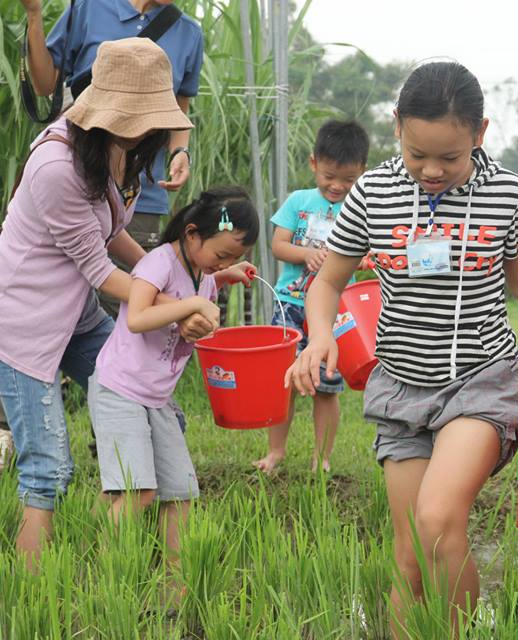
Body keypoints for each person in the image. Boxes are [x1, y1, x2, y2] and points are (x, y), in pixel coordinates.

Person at [285, 62, 518, 637]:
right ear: (396, 129)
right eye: (418, 155)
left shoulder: (504, 192)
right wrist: (319, 337)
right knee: (411, 554)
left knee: (439, 520)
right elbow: (327, 282)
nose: (432, 170)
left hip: (480, 380)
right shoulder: (373, 192)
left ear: (480, 134)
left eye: (450, 157)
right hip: (400, 386)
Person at [0, 38, 208, 569]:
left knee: (152, 405)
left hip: (74, 314)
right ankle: (32, 587)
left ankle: (103, 549)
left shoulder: (111, 147)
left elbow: (114, 235)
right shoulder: (57, 167)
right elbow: (99, 272)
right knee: (47, 468)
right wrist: (175, 304)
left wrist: (173, 280)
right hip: (21, 323)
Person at [89, 186, 257, 602]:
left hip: (158, 398)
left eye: (235, 257)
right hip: (120, 389)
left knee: (181, 493)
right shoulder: (157, 263)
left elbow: (198, 289)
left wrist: (222, 275)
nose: (226, 263)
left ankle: (174, 592)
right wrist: (191, 307)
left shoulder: (203, 275)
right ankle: (109, 585)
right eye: (222, 255)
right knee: (136, 492)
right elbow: (139, 317)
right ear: (192, 234)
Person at [20, 0, 205, 315]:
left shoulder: (189, 32)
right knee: (59, 294)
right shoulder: (89, 8)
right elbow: (44, 85)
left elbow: (178, 109)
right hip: (82, 172)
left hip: (139, 188)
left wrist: (180, 151)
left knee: (120, 315)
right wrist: (34, 16)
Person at [252, 120, 369, 474]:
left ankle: (322, 458)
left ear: (362, 172)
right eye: (330, 175)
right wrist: (306, 255)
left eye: (348, 180)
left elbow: (369, 255)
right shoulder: (299, 201)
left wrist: (359, 263)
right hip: (290, 304)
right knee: (282, 382)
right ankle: (276, 452)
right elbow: (278, 245)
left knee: (327, 388)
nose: (337, 186)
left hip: (335, 312)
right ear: (314, 163)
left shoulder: (362, 209)